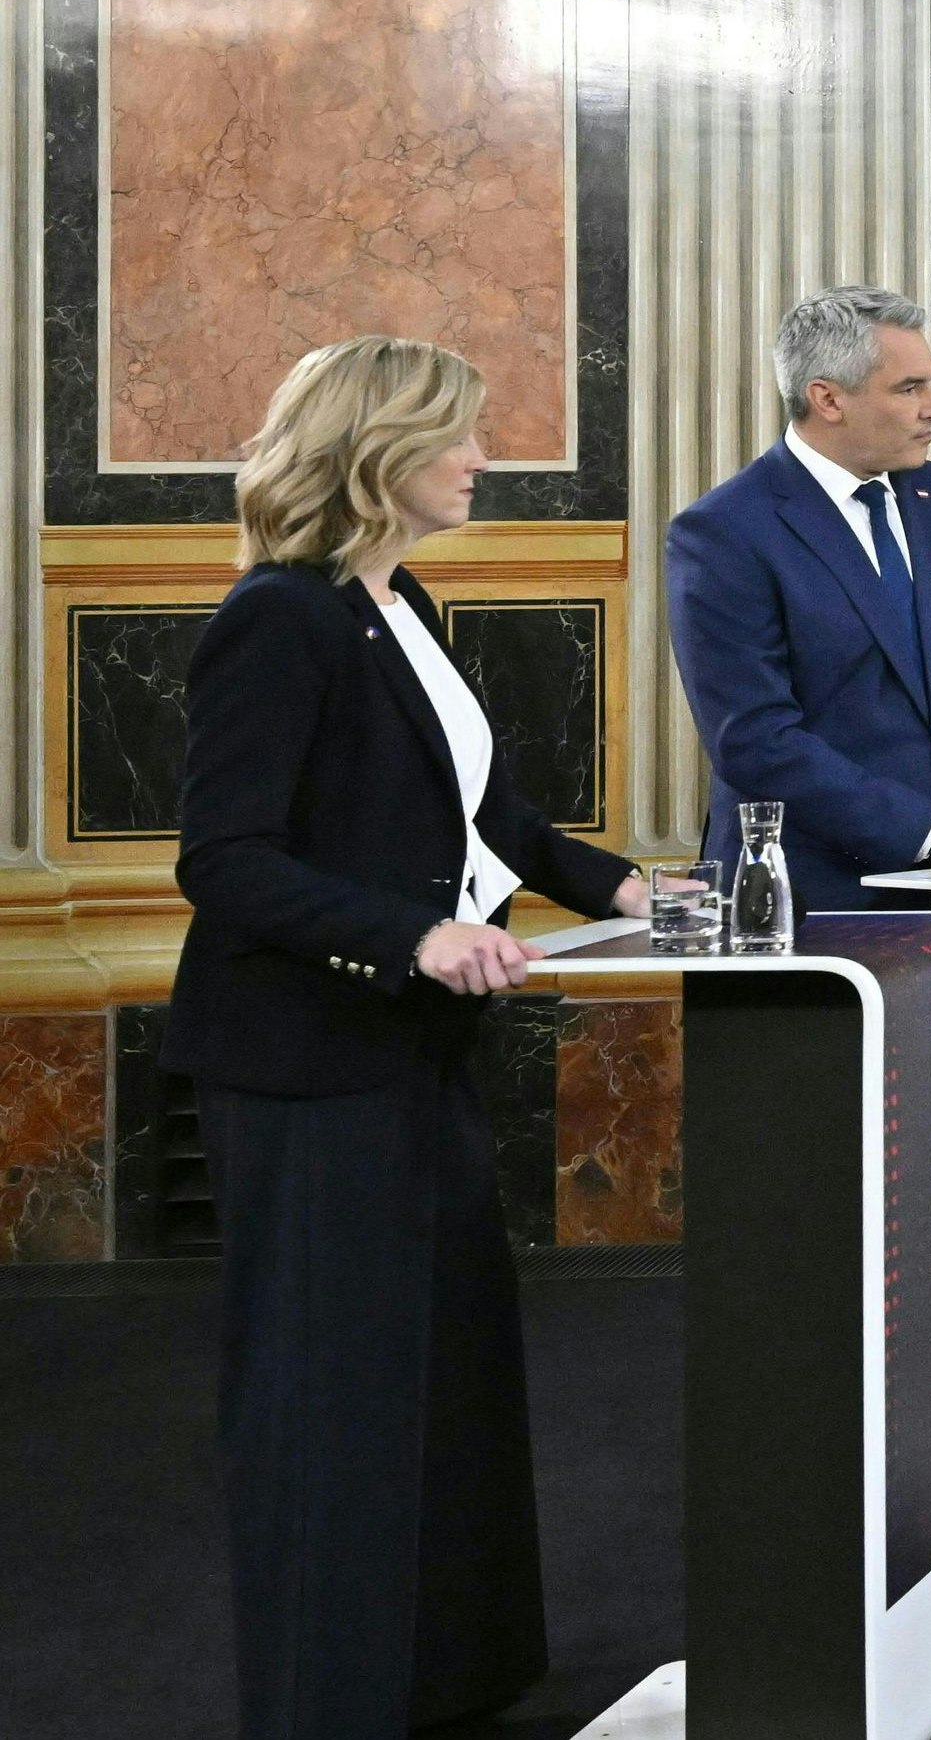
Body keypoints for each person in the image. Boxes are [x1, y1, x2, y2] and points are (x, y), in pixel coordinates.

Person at [167, 337, 657, 1738]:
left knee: (442, 1384)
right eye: (460, 433)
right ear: (378, 448)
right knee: (332, 1407)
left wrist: (625, 884)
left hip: (414, 1058)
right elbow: (226, 857)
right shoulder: (281, 615)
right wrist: (412, 935)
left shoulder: (403, 599)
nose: (481, 456)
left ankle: (445, 1677)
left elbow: (483, 817)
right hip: (309, 1067)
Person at [667, 286, 931, 909]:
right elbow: (755, 739)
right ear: (828, 398)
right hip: (808, 907)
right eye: (910, 388)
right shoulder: (724, 531)